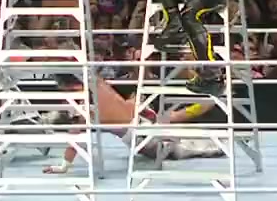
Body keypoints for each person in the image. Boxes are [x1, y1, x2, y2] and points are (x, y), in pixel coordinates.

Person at [42, 72, 220, 174]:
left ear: (70, 88)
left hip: (141, 135)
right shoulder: (98, 82)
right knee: (178, 128)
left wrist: (63, 166)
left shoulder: (84, 107)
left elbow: (75, 139)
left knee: (185, 148)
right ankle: (214, 99)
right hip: (142, 117)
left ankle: (215, 104)